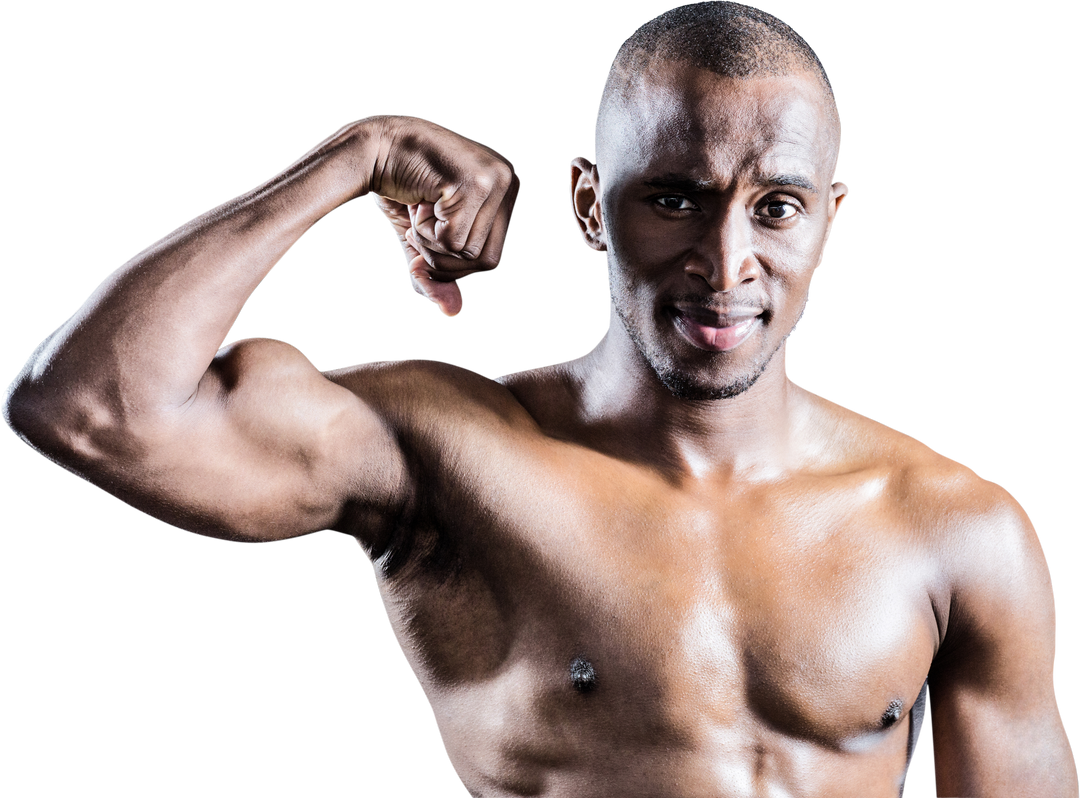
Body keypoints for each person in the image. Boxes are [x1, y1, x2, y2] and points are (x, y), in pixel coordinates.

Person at [3, 2, 1074, 796]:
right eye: (674, 198)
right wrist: (355, 153)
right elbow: (87, 407)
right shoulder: (446, 452)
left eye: (777, 207)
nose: (726, 259)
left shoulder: (957, 529)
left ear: (829, 222)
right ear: (587, 206)